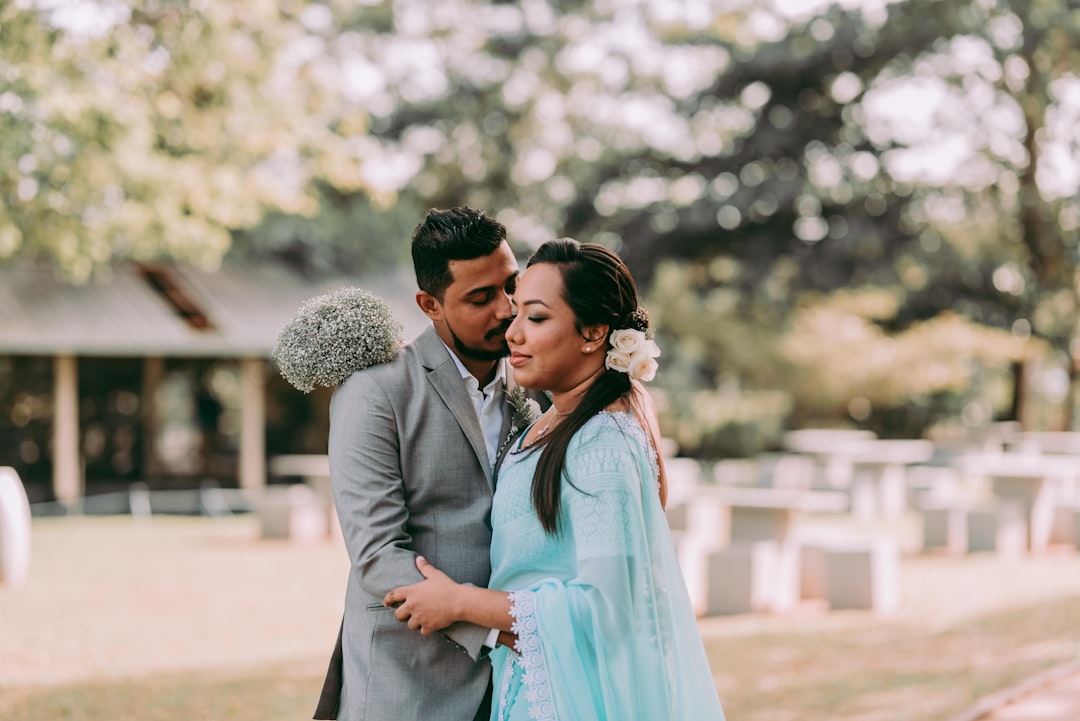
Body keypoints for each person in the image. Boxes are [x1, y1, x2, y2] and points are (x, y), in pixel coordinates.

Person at [384, 238, 726, 720]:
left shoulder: (601, 445)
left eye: (537, 317)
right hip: (531, 687)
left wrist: (461, 602)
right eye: (516, 312)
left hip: (574, 700)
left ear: (593, 333)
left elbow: (606, 610)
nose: (513, 333)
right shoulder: (554, 422)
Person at [314, 207, 547, 721]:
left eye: (512, 285)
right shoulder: (375, 390)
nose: (507, 310)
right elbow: (376, 552)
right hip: (408, 682)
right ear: (429, 304)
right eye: (480, 298)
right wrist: (492, 626)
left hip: (518, 687)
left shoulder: (536, 389)